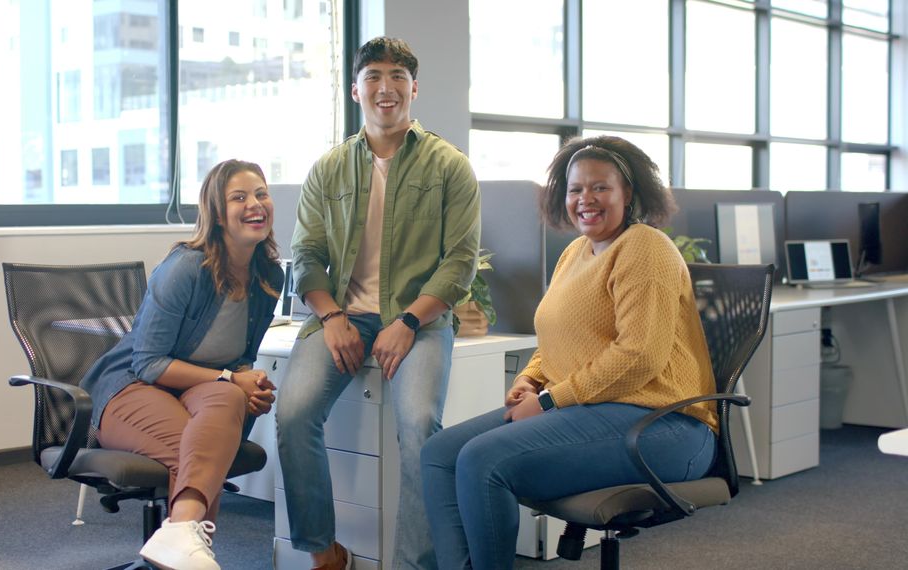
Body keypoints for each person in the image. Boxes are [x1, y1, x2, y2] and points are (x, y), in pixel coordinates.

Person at [420, 135, 719, 570]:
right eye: (576, 189)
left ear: (629, 193)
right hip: (593, 410)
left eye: (600, 187)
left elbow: (639, 356)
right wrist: (531, 378)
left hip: (666, 426)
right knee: (441, 454)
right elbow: (559, 338)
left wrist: (548, 401)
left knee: (484, 461)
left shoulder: (645, 247)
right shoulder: (576, 252)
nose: (585, 199)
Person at [275, 37, 481, 570]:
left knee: (418, 428)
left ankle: (416, 564)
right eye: (373, 77)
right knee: (293, 412)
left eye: (396, 77)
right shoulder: (329, 169)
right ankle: (324, 552)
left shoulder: (449, 166)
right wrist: (332, 316)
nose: (385, 88)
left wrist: (410, 320)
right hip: (343, 316)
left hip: (421, 320)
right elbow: (307, 255)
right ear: (355, 90)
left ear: (414, 88)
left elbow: (459, 262)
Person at [79, 159, 284, 570]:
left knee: (225, 403)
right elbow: (149, 363)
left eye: (261, 194)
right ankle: (184, 541)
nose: (254, 204)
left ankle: (177, 539)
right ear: (217, 212)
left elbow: (239, 359)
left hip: (197, 394)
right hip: (131, 389)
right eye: (239, 197)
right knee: (198, 450)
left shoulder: (269, 276)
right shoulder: (187, 268)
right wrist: (231, 378)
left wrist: (247, 382)